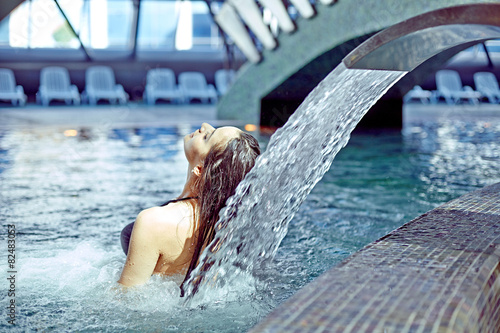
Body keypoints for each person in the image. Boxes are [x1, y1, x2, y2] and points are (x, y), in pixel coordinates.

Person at [117, 123, 260, 296]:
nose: (204, 126)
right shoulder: (228, 228)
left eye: (208, 136)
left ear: (200, 169)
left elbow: (124, 298)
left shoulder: (154, 221)